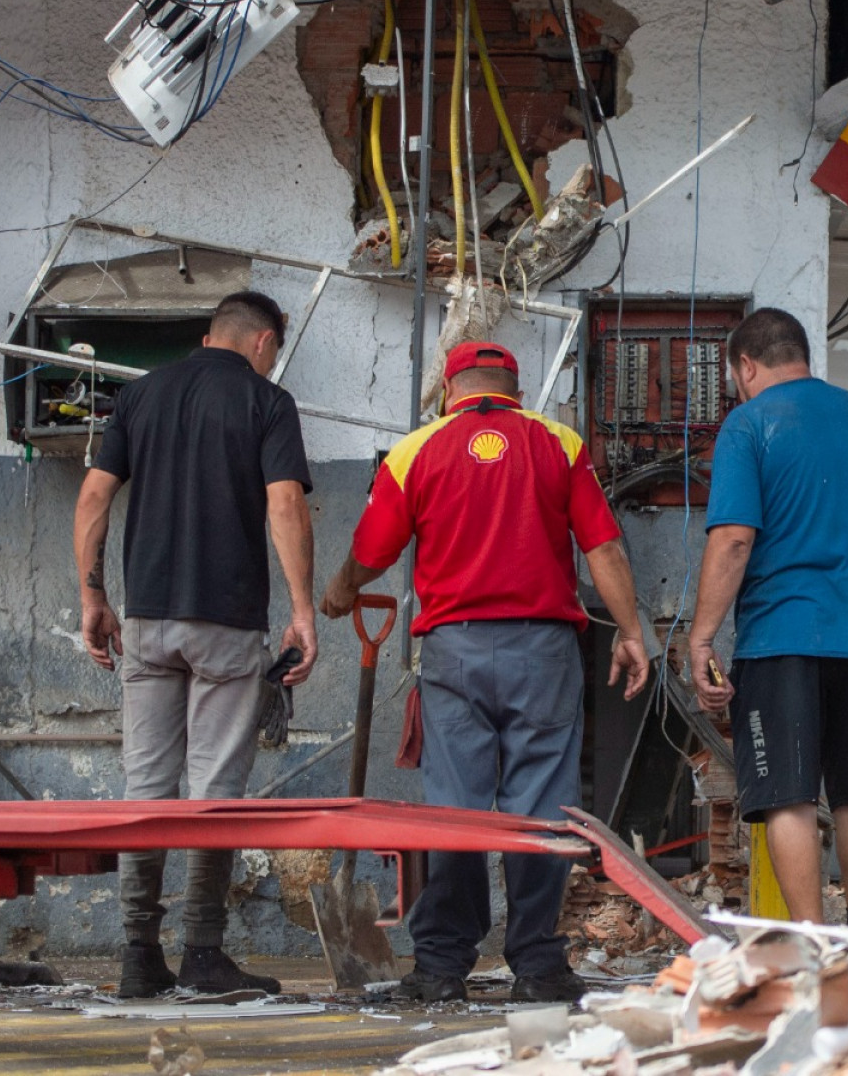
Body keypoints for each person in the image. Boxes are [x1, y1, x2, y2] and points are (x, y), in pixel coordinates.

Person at [321, 341, 650, 1004]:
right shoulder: (557, 443)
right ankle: (537, 965)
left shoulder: (418, 449)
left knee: (455, 812)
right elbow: (603, 546)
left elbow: (373, 549)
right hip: (543, 653)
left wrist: (340, 590)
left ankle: (441, 967)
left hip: (456, 653)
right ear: (514, 388)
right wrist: (633, 633)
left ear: (451, 391)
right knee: (540, 813)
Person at [73, 290, 317, 999]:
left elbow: (92, 498)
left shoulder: (140, 395)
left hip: (146, 621)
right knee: (215, 794)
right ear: (264, 343)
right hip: (226, 622)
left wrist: (94, 596)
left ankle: (137, 956)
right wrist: (302, 611)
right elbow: (285, 502)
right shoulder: (268, 403)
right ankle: (203, 954)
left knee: (145, 791)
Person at [687, 308, 848, 929]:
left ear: (746, 365)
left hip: (784, 637)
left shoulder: (750, 424)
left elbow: (733, 539)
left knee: (787, 792)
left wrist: (701, 637)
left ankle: (812, 940)